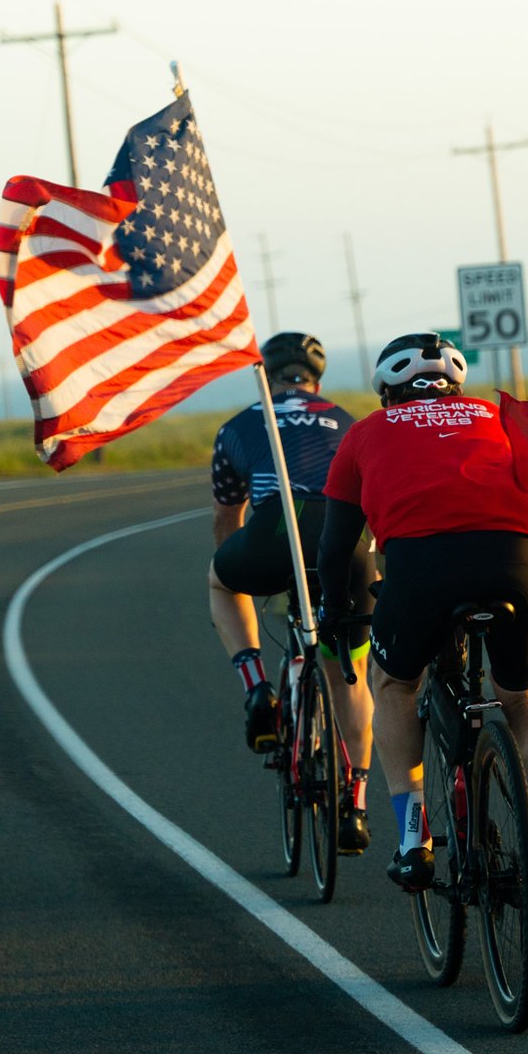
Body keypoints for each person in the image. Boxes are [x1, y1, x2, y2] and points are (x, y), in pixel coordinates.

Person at [316, 331, 528, 898]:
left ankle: (412, 839)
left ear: (387, 390)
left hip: (420, 566)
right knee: (527, 698)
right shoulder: (498, 417)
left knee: (396, 685)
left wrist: (336, 609)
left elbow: (335, 550)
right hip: (516, 559)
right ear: (457, 382)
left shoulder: (364, 433)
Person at [208, 331, 375, 854]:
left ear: (267, 375)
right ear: (317, 379)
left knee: (219, 577)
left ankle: (257, 684)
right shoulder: (348, 420)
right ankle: (356, 806)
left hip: (274, 526)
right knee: (350, 674)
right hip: (343, 538)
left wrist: (242, 563)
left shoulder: (237, 425)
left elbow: (226, 520)